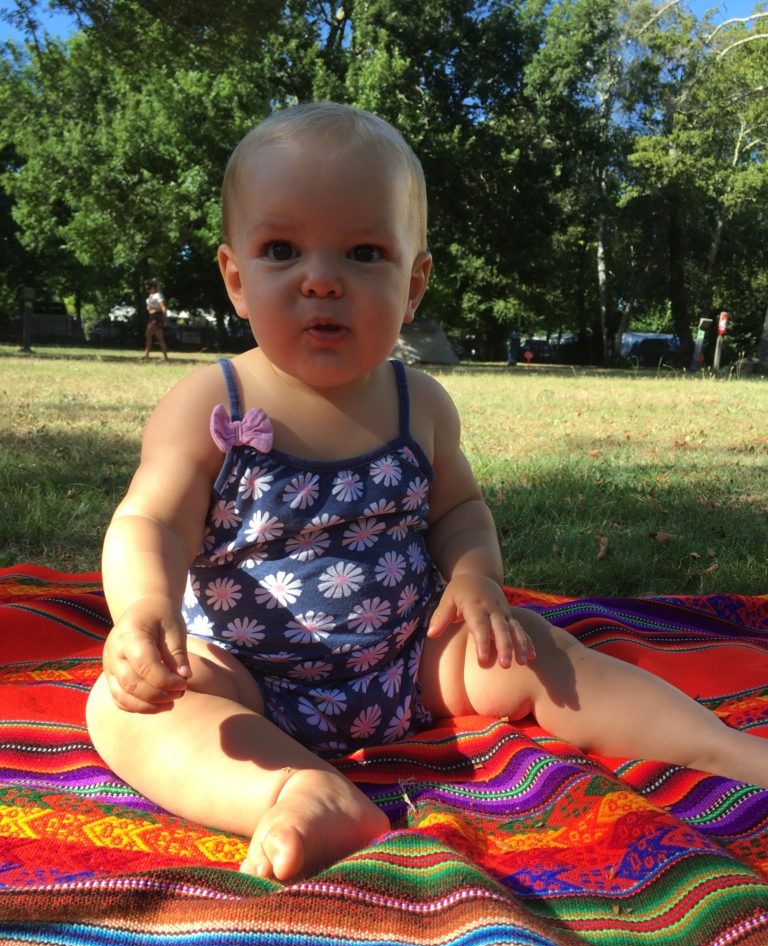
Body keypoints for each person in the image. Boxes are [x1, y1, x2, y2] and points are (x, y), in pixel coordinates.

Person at [86, 102, 768, 886]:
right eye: (282, 250)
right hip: (243, 674)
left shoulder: (422, 407)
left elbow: (459, 512)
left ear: (413, 284)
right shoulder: (211, 404)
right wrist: (143, 609)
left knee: (537, 650)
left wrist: (475, 576)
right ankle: (297, 791)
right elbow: (151, 522)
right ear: (236, 278)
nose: (321, 279)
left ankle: (722, 748)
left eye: (363, 252)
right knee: (121, 709)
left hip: (409, 663)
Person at [142, 278, 169, 361]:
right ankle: (165, 357)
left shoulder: (158, 295)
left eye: (149, 287)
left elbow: (163, 307)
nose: (147, 289)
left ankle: (146, 355)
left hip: (157, 317)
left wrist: (165, 319)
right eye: (146, 288)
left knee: (148, 334)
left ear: (153, 287)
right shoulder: (150, 297)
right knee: (159, 338)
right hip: (152, 316)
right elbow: (149, 309)